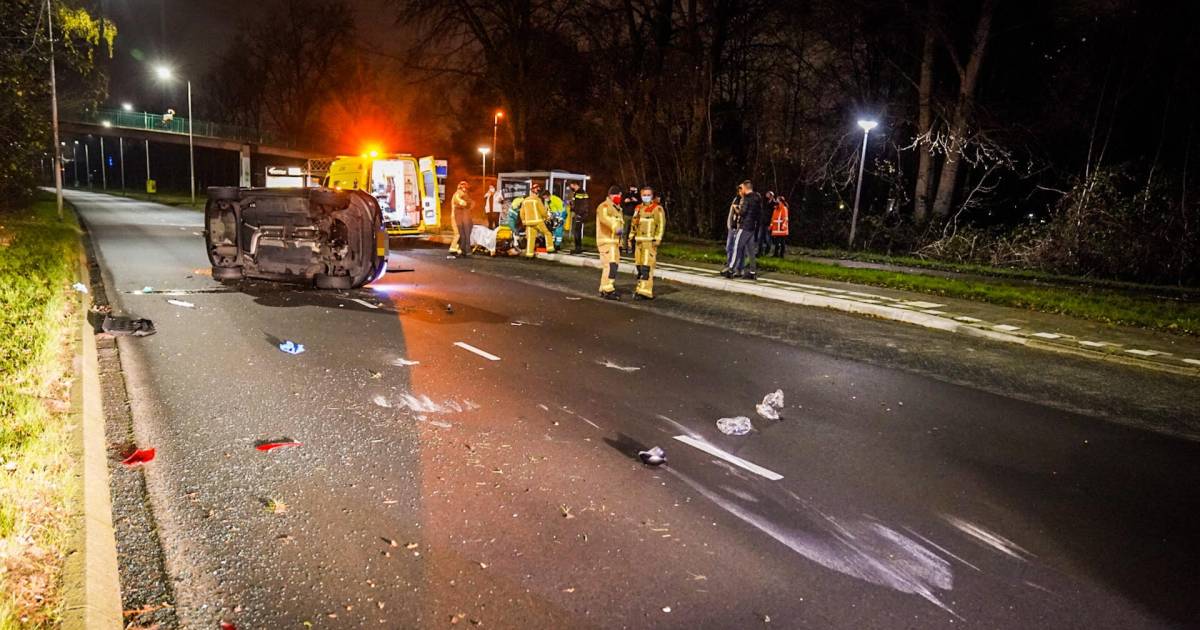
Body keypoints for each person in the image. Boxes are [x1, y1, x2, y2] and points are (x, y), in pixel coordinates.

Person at [628, 186, 666, 299]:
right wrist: (630, 238)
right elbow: (633, 224)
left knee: (646, 267)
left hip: (649, 242)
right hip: (639, 242)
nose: (646, 197)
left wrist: (658, 239)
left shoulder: (657, 208)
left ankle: (646, 292)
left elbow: (661, 225)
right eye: (644, 195)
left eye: (648, 195)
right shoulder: (638, 208)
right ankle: (640, 288)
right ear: (640, 195)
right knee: (639, 267)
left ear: (652, 196)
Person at [723, 180, 762, 280]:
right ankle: (752, 272)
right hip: (752, 227)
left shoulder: (747, 198)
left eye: (742, 188)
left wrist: (736, 208)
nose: (741, 190)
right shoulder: (757, 198)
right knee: (751, 251)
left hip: (744, 227)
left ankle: (730, 270)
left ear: (746, 188)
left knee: (736, 247)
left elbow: (742, 213)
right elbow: (759, 214)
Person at [595, 185, 625, 299]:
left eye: (619, 195)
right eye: (615, 195)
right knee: (611, 265)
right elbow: (605, 219)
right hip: (607, 241)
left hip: (614, 242)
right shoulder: (604, 206)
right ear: (610, 195)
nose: (617, 197)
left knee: (611, 265)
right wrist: (615, 228)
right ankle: (608, 290)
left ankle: (604, 288)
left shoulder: (618, 209)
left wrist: (620, 241)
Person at [519, 185, 556, 258]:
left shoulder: (525, 200)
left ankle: (529, 254)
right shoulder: (537, 200)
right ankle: (550, 249)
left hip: (528, 222)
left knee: (531, 238)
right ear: (537, 193)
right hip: (538, 221)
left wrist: (523, 221)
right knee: (547, 233)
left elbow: (521, 212)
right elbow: (542, 211)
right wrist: (547, 217)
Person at [448, 180, 474, 258]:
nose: (465, 190)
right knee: (458, 234)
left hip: (458, 217)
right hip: (456, 217)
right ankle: (453, 249)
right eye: (464, 188)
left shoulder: (459, 193)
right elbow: (461, 201)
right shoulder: (458, 194)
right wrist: (464, 202)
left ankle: (459, 249)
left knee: (461, 234)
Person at [567, 181, 591, 254]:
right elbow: (576, 204)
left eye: (571, 185)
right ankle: (578, 247)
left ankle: (578, 248)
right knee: (577, 231)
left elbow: (583, 205)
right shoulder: (577, 193)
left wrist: (579, 214)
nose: (571, 187)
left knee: (577, 231)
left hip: (579, 214)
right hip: (578, 214)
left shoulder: (580, 193)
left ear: (575, 185)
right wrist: (572, 206)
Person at [620, 185, 640, 255]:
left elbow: (640, 204)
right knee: (625, 231)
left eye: (634, 188)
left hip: (635, 216)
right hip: (626, 215)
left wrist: (636, 201)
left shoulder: (638, 195)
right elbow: (622, 203)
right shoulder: (626, 194)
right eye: (631, 188)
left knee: (633, 232)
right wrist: (625, 201)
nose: (632, 189)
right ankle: (624, 247)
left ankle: (632, 247)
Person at [759, 191, 777, 257]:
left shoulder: (774, 203)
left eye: (768, 194)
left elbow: (774, 214)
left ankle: (767, 250)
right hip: (762, 222)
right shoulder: (765, 202)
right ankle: (760, 252)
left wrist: (771, 224)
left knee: (767, 238)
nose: (766, 195)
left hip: (768, 223)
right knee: (760, 237)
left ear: (771, 196)